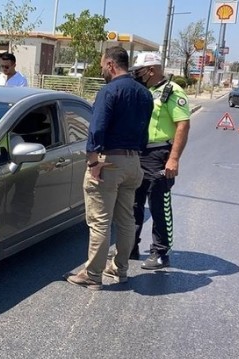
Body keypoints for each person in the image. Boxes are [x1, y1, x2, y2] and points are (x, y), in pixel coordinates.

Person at [66, 46, 154, 290]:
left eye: (103, 65)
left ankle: (93, 275)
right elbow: (144, 131)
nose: (102, 69)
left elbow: (96, 129)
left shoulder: (109, 91)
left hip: (108, 162)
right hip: (133, 162)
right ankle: (120, 269)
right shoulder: (145, 94)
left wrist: (93, 162)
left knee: (100, 221)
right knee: (126, 219)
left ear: (111, 65)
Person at [129, 51, 191, 269]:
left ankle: (161, 252)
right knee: (133, 203)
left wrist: (173, 159)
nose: (137, 75)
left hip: (159, 154)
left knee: (158, 205)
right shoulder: (145, 91)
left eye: (139, 71)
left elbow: (183, 124)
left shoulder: (172, 91)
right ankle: (131, 246)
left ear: (151, 70)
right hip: (138, 153)